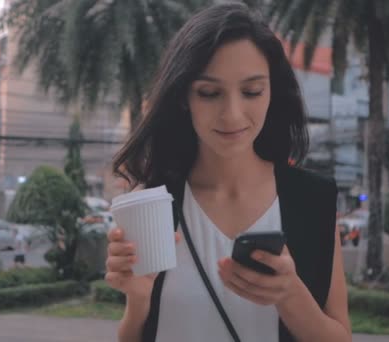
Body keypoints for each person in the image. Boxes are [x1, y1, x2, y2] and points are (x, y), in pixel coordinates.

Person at [106, 3, 350, 342]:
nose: (232, 115)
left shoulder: (313, 201)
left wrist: (291, 295)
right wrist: (138, 298)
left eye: (252, 91)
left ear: (272, 92)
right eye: (209, 93)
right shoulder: (155, 202)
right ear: (183, 97)